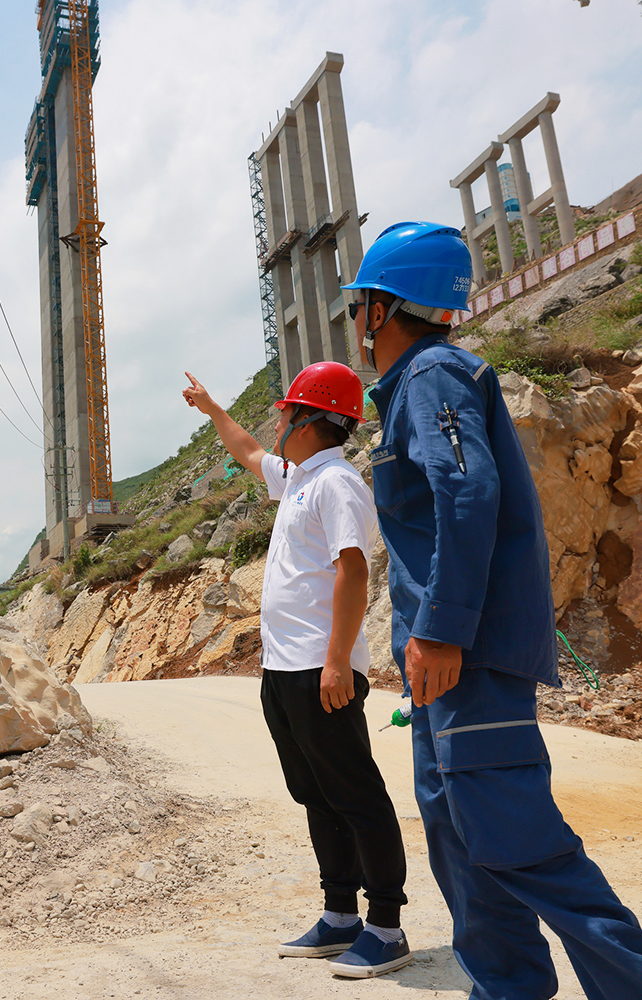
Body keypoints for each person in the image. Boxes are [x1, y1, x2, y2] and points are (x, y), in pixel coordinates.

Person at [342, 221, 642, 1000]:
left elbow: (467, 491)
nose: (355, 321)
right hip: (440, 669)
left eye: (359, 306)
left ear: (381, 308)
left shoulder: (433, 375)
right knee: (461, 844)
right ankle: (508, 988)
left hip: (466, 659)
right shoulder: (416, 383)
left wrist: (443, 630)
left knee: (519, 843)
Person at [183, 364, 413, 979]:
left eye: (287, 412)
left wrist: (338, 661)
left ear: (312, 421)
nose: (278, 421)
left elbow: (354, 570)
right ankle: (340, 916)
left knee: (356, 793)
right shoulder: (299, 478)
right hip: (284, 670)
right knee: (314, 792)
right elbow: (250, 450)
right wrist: (211, 410)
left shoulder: (337, 483)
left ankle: (386, 926)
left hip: (322, 668)